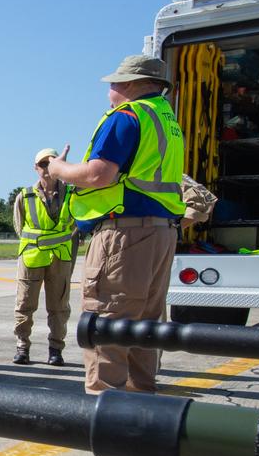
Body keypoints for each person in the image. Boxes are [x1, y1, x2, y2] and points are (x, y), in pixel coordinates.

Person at [46, 55, 185, 394]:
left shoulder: (128, 116)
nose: (111, 89)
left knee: (107, 324)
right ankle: (141, 410)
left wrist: (58, 169)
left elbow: (99, 174)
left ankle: (105, 414)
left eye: (115, 82)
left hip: (125, 234)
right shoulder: (167, 120)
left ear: (131, 84)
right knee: (146, 327)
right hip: (161, 232)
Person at [11, 148, 77, 367]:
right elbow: (20, 228)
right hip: (31, 258)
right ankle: (22, 347)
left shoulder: (72, 193)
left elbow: (77, 224)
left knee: (59, 307)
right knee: (24, 305)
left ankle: (56, 349)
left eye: (52, 163)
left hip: (60, 257)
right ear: (35, 168)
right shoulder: (25, 195)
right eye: (42, 164)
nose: (47, 169)